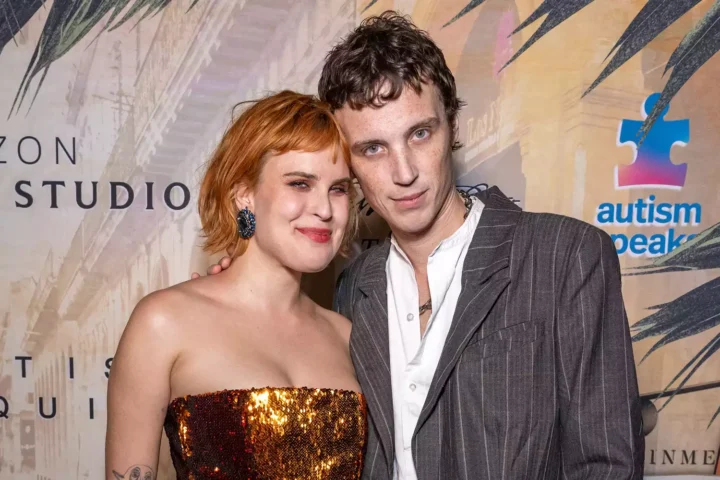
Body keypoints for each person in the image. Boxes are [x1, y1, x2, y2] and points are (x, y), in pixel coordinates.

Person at [198, 11, 645, 480]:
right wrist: (236, 300)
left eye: (419, 133)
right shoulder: (354, 288)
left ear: (452, 126)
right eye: (373, 148)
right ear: (348, 164)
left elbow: (608, 465)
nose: (404, 172)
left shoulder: (564, 255)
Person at [105, 91, 367, 480]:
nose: (325, 209)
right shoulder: (163, 323)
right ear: (245, 195)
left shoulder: (347, 336)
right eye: (300, 183)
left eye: (338, 189)